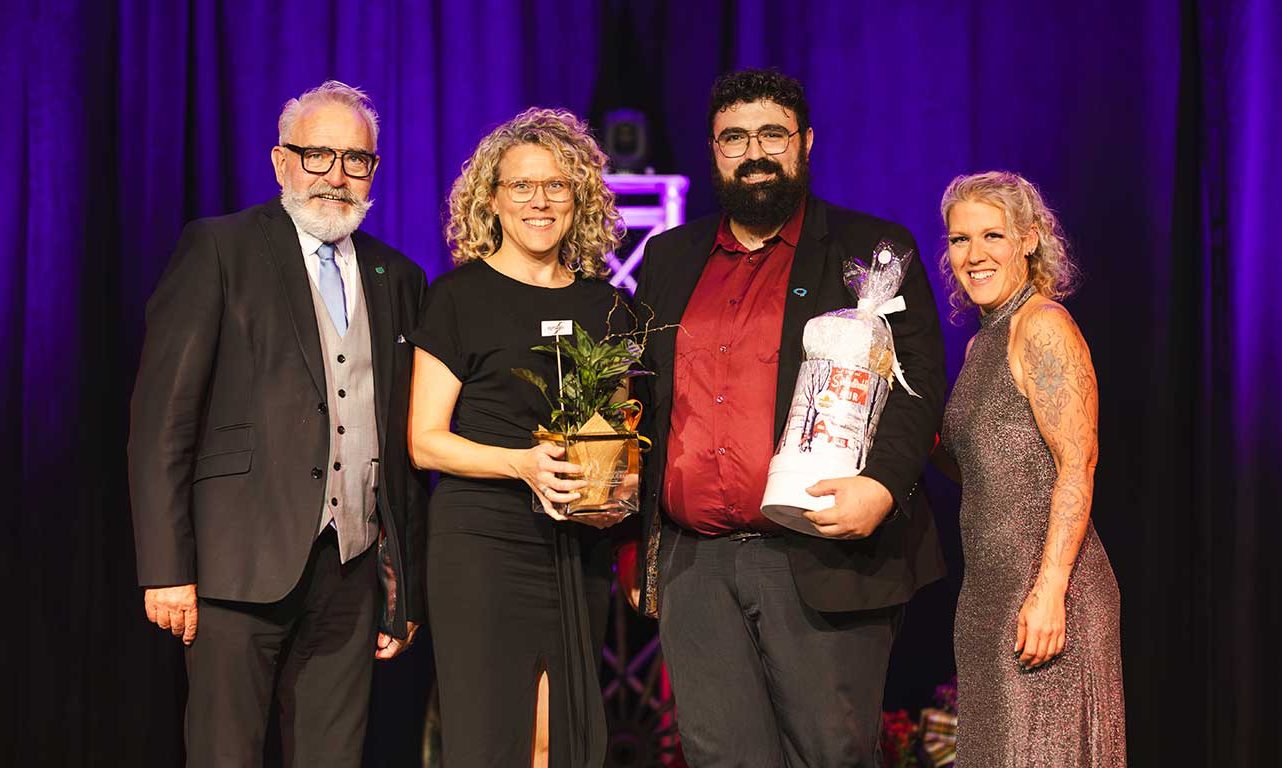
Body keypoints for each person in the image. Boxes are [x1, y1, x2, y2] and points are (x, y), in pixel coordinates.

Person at [631, 68, 948, 766]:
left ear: (805, 143)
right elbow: (643, 391)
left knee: (830, 753)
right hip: (696, 564)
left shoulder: (871, 251)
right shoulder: (668, 255)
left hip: (816, 552)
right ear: (713, 150)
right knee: (720, 757)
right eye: (734, 137)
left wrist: (885, 486)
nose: (755, 151)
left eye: (772, 134)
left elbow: (919, 382)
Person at [128, 81, 428, 767]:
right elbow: (161, 421)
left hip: (350, 572)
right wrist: (166, 569)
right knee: (224, 754)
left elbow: (403, 451)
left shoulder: (397, 276)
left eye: (356, 160)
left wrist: (401, 584)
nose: (336, 175)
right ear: (279, 162)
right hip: (235, 566)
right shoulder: (221, 248)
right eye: (317, 154)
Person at [406, 107, 631, 768]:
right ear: (493, 200)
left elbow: (615, 429)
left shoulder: (609, 305)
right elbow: (424, 441)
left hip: (574, 549)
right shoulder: (457, 299)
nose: (540, 200)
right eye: (522, 186)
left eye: (556, 185)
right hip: (480, 545)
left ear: (578, 198)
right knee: (490, 739)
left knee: (557, 739)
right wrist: (523, 465)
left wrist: (617, 486)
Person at [936, 171, 1126, 766]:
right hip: (988, 599)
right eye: (959, 239)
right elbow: (984, 472)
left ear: (1029, 239)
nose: (974, 254)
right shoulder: (979, 345)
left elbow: (1078, 464)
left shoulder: (1041, 325)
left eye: (992, 235)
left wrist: (1050, 590)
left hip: (1048, 597)